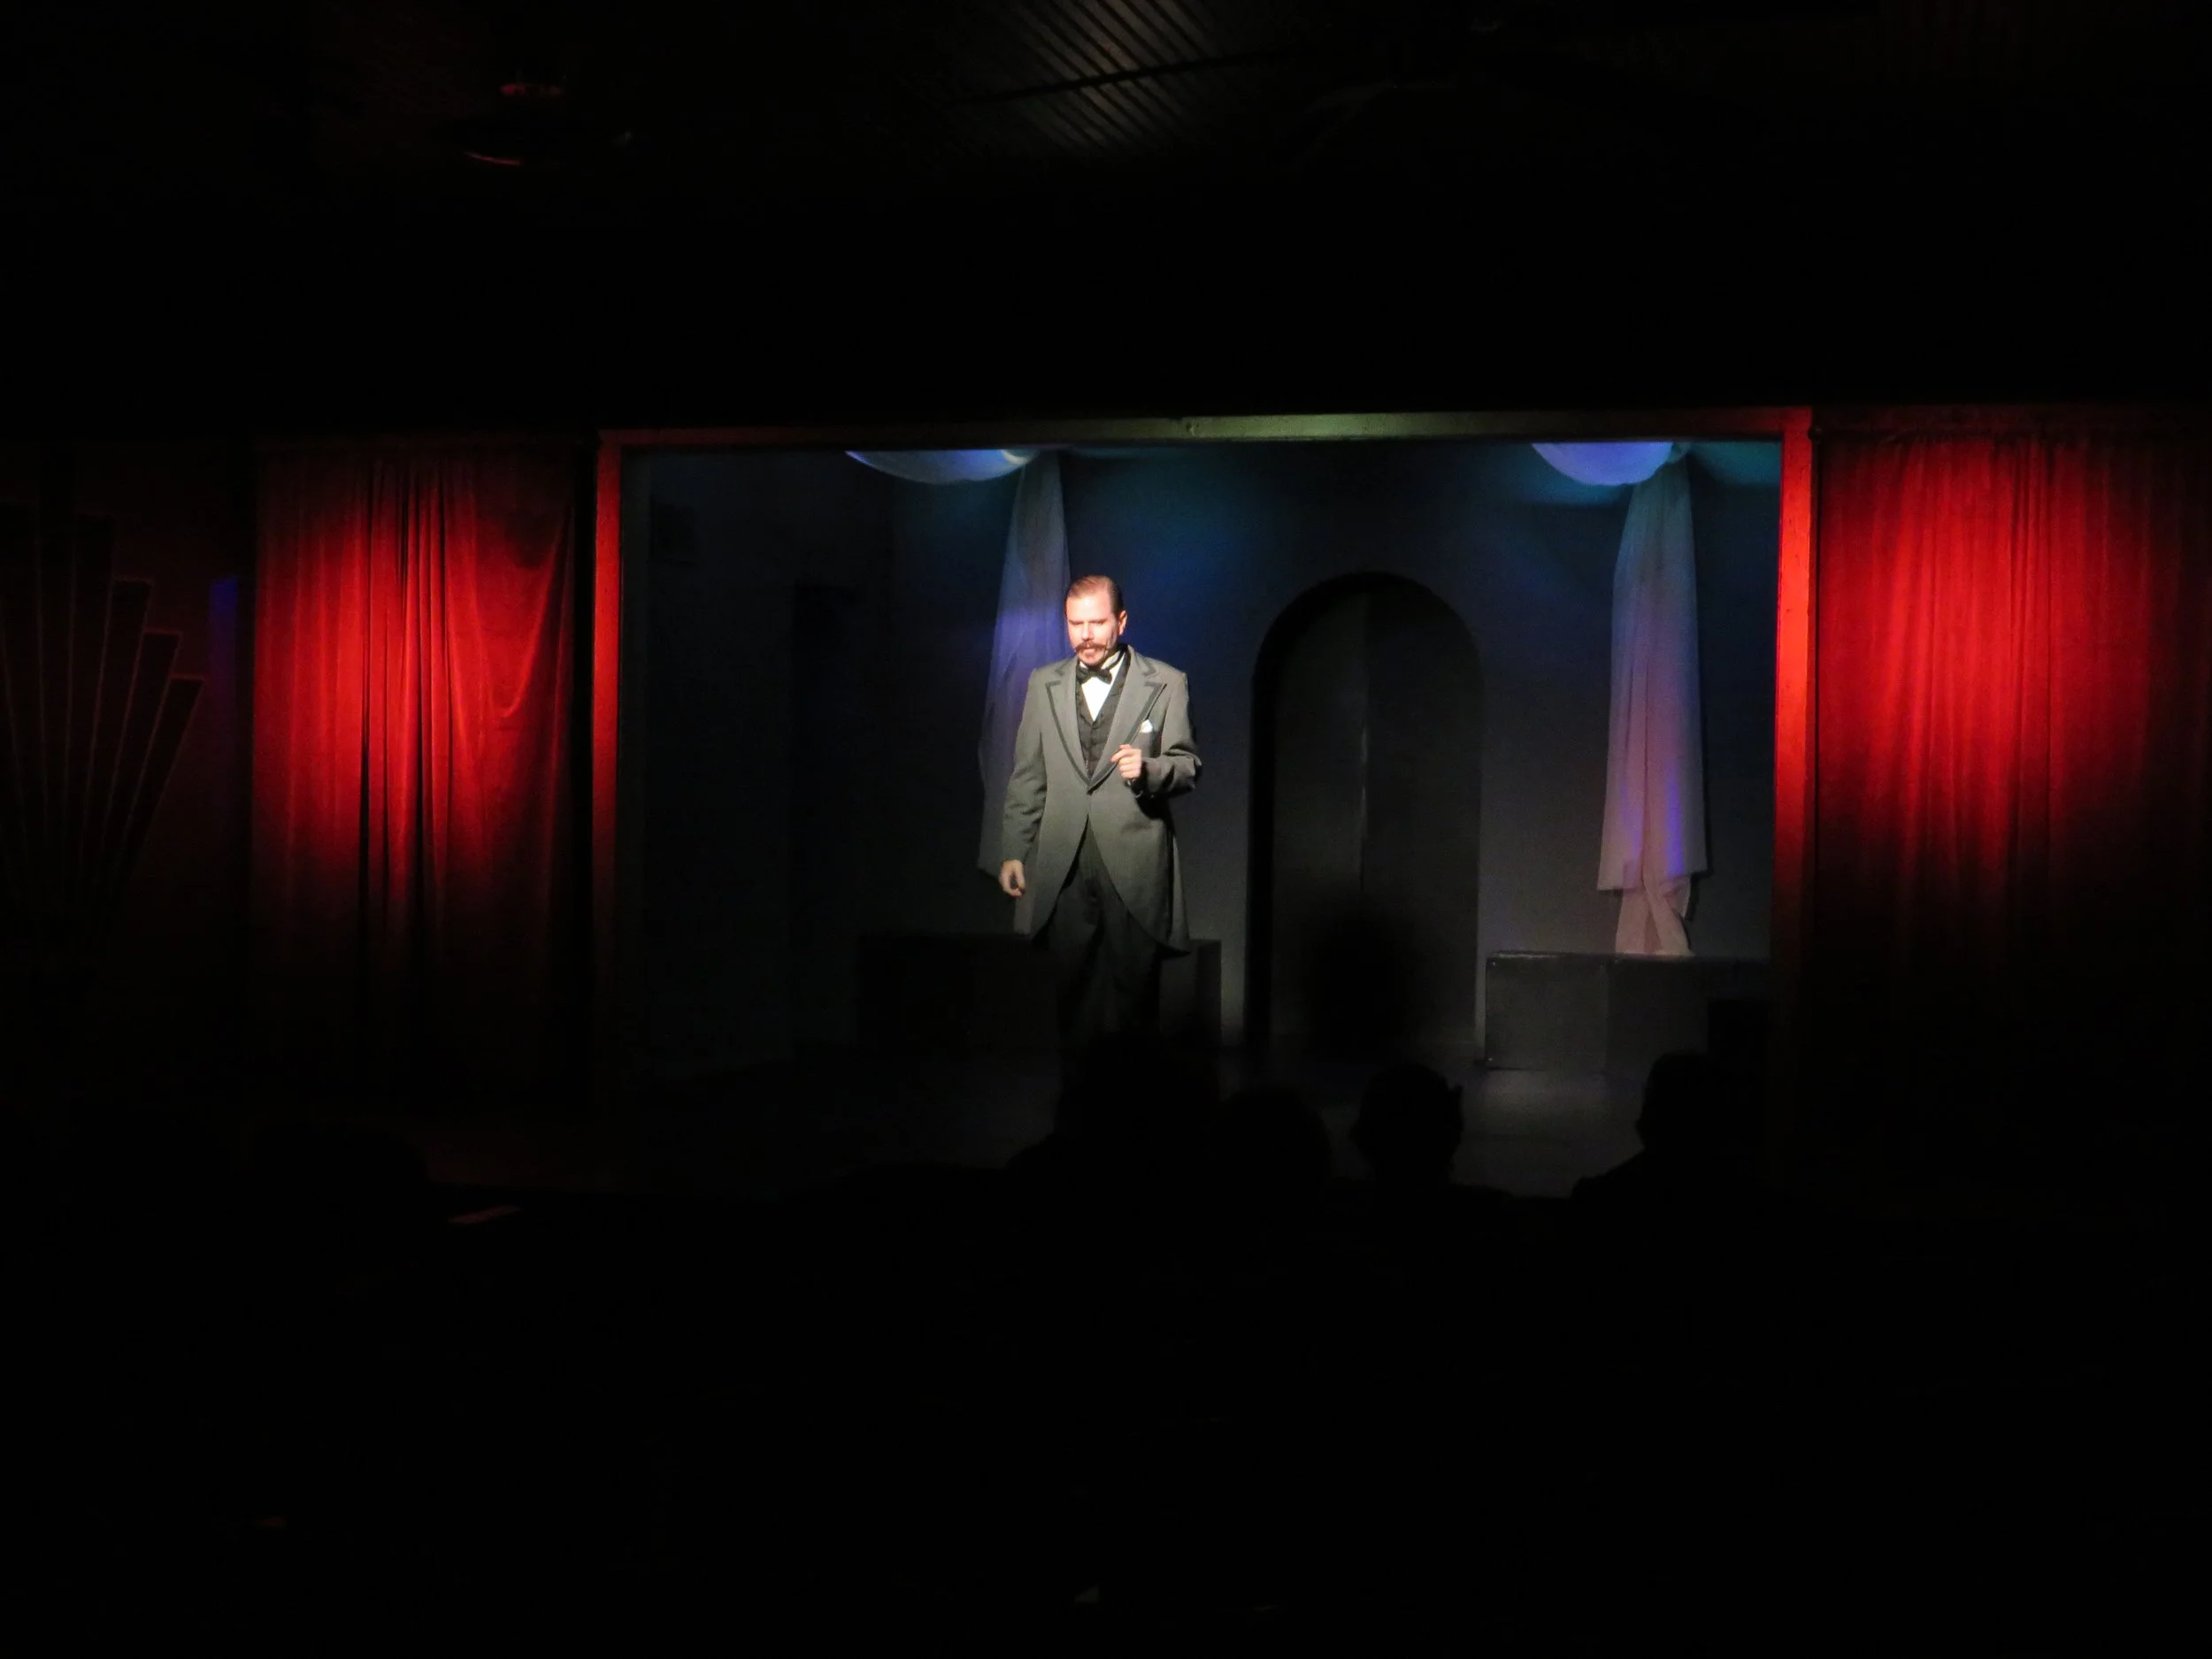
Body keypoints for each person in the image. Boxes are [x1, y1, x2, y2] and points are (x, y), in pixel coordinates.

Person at [999, 576, 1202, 1090]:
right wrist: (1014, 849)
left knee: (1135, 994)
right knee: (1072, 993)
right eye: (1075, 624)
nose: (1086, 635)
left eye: (1096, 622)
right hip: (1064, 857)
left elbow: (1188, 765)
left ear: (1122, 621)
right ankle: (1077, 1109)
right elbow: (1028, 773)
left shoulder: (1166, 682)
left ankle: (1138, 1114)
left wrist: (1150, 770)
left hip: (1133, 855)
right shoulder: (1044, 683)